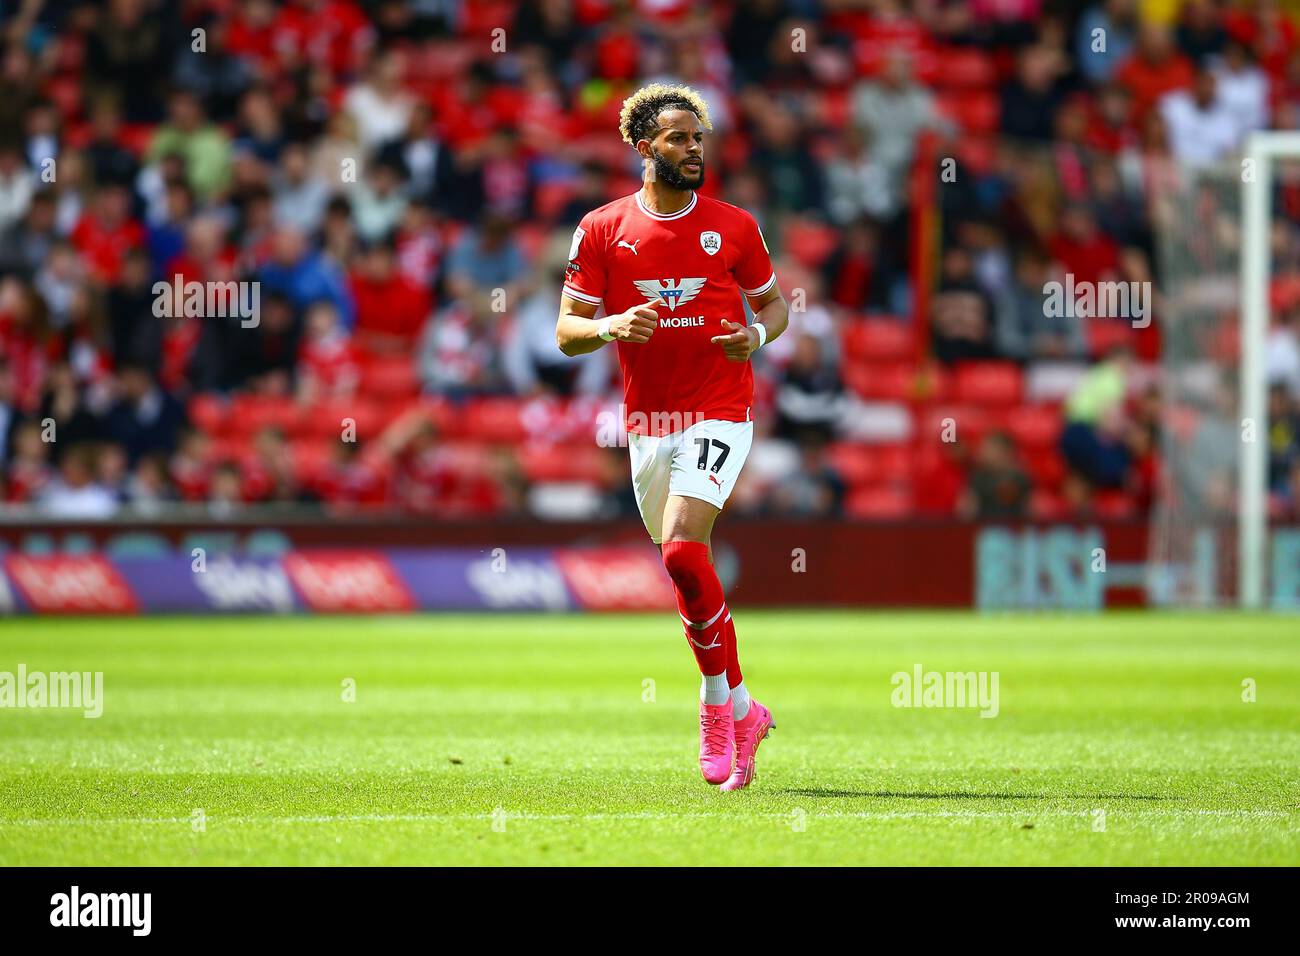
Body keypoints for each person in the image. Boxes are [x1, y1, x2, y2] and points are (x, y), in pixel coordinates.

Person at [555, 84, 790, 791]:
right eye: (680, 139)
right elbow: (567, 332)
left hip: (721, 407)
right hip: (649, 423)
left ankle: (716, 708)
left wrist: (753, 334)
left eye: (700, 139)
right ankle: (746, 708)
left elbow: (774, 307)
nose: (695, 150)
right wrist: (609, 327)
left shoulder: (736, 227)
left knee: (687, 547)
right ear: (644, 146)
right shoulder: (601, 229)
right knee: (682, 571)